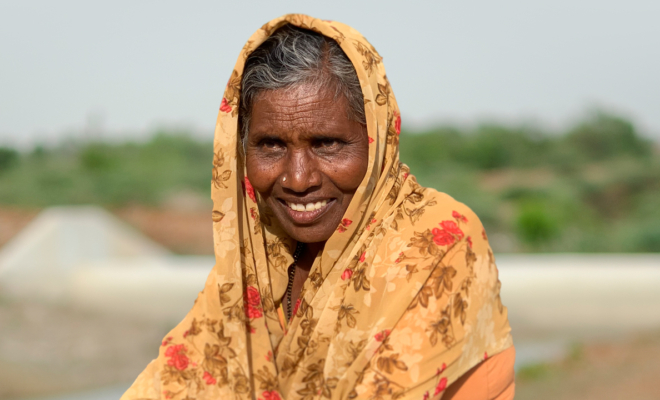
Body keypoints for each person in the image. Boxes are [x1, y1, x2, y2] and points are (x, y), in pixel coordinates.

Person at [121, 14, 515, 400]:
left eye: (327, 144)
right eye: (270, 145)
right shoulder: (256, 266)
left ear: (377, 139)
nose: (298, 179)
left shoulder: (434, 244)